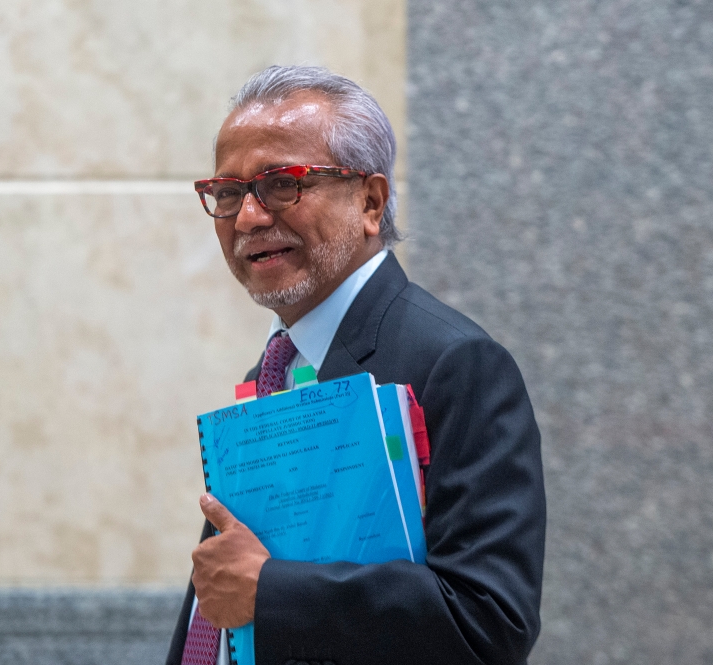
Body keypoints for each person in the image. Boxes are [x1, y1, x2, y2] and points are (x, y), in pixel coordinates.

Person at [166, 65, 546, 665]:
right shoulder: (276, 364)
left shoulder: (457, 364)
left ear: (370, 201)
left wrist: (271, 593)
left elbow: (489, 622)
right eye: (230, 193)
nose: (247, 218)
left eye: (282, 184)